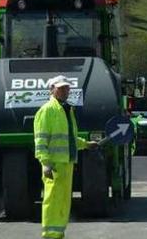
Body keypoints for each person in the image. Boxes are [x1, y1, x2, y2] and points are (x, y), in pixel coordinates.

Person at [34, 75, 98, 239]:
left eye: (67, 88)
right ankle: (49, 234)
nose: (65, 91)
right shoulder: (47, 110)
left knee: (63, 201)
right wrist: (46, 163)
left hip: (66, 163)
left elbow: (69, 137)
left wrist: (85, 144)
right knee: (53, 200)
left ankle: (58, 232)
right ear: (52, 89)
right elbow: (40, 140)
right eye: (61, 88)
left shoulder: (67, 110)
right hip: (54, 165)